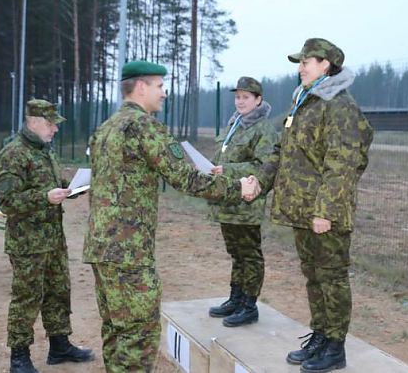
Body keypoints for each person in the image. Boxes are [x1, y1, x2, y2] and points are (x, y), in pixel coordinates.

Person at [83, 60, 259, 372]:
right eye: (159, 87)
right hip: (129, 252)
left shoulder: (105, 128)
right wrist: (237, 188)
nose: (164, 94)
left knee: (116, 330)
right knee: (139, 334)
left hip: (101, 247)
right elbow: (186, 178)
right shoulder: (144, 126)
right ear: (141, 87)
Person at [252, 38, 373, 372]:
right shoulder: (305, 102)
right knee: (313, 276)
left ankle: (335, 346)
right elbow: (284, 152)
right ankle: (320, 335)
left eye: (307, 61)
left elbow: (343, 163)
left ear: (326, 65)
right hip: (302, 210)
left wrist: (325, 211)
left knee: (332, 278)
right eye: (300, 61)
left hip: (324, 213)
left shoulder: (339, 105)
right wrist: (261, 181)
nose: (301, 67)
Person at [0, 99, 94, 373]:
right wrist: (44, 197)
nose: (55, 130)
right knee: (26, 298)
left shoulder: (44, 151)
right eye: (51, 124)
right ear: (34, 122)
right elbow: (7, 202)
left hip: (52, 238)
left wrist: (74, 187)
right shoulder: (13, 153)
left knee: (58, 291)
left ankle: (60, 345)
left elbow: (53, 186)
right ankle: (19, 356)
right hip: (27, 242)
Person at [207, 76, 279, 327]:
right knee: (236, 254)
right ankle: (235, 298)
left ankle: (249, 304)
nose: (240, 101)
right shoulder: (234, 125)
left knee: (249, 255)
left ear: (258, 100)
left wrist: (226, 169)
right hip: (228, 201)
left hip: (247, 202)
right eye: (237, 97)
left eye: (245, 97)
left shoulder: (264, 129)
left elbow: (264, 165)